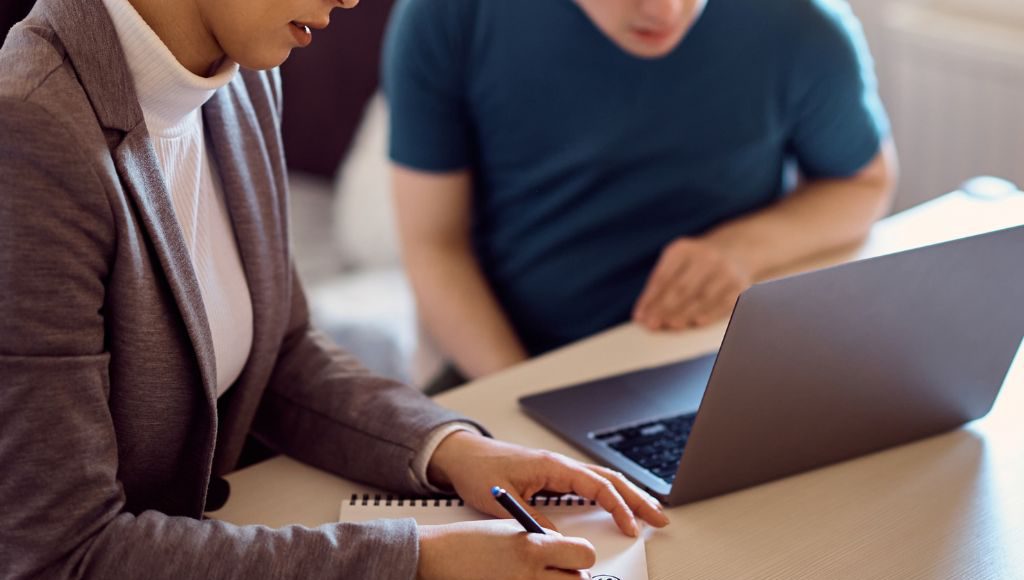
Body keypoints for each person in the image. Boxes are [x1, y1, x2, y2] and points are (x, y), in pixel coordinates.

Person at [0, 0, 669, 578]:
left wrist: (458, 451)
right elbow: (64, 554)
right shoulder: (30, 132)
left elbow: (282, 354)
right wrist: (417, 561)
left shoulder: (237, 79)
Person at [384, 0, 899, 393]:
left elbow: (865, 182)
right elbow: (434, 244)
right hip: (509, 363)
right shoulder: (448, 15)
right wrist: (522, 394)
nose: (665, 10)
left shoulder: (801, 22)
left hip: (717, 367)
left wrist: (744, 247)